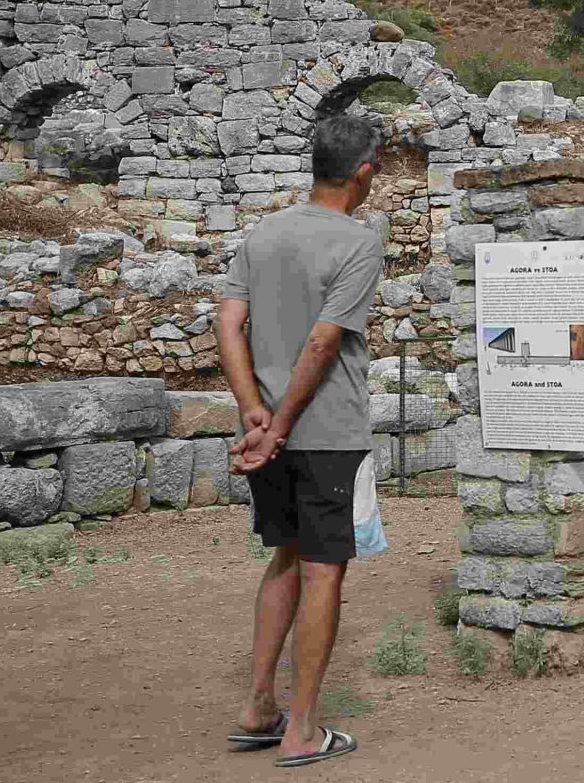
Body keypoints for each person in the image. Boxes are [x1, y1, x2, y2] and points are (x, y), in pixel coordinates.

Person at [218, 113, 383, 768]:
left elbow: (229, 324)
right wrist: (282, 422)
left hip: (267, 434)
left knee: (284, 559)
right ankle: (303, 728)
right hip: (327, 433)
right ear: (364, 171)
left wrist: (253, 412)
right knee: (323, 572)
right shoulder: (359, 241)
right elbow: (323, 341)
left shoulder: (262, 235)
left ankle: (260, 706)